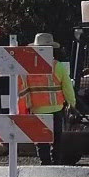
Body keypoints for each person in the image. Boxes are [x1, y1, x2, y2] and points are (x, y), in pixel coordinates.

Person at [18, 32, 75, 164]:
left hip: (37, 109)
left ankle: (44, 161)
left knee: (41, 138)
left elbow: (22, 87)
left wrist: (24, 107)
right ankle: (56, 161)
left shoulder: (28, 67)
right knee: (56, 137)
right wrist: (72, 104)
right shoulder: (57, 66)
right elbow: (67, 88)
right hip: (56, 109)